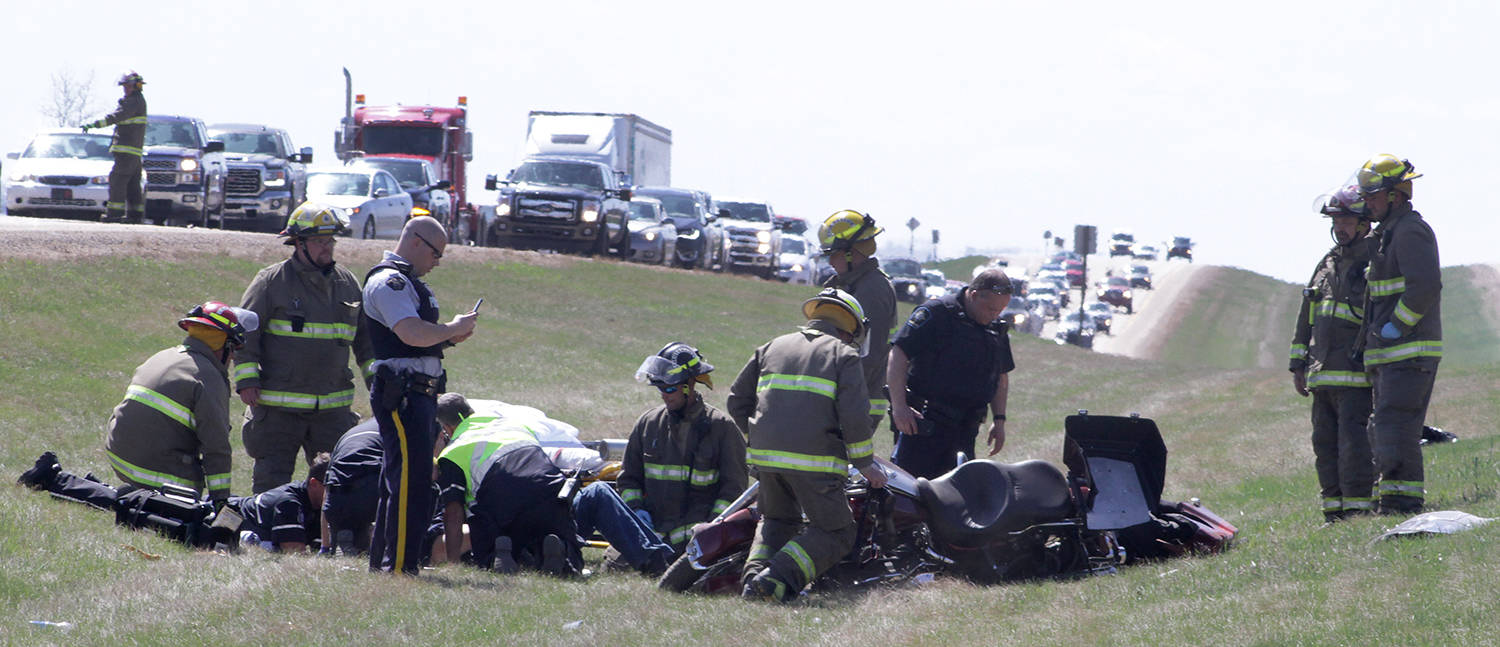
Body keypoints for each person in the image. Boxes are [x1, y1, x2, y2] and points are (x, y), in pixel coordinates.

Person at [727, 287, 887, 603]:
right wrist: (866, 463)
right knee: (836, 530)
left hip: (766, 459)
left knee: (777, 521)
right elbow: (855, 416)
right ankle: (774, 581)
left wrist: (759, 438)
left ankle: (753, 579)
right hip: (815, 464)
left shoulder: (773, 346)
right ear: (848, 328)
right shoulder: (844, 355)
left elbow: (736, 401)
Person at [433, 394, 674, 575]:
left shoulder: (452, 453)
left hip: (506, 523)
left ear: (447, 428)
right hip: (553, 502)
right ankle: (658, 561)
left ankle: (509, 555)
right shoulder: (516, 426)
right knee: (597, 492)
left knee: (481, 512)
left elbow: (453, 514)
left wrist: (454, 565)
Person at [363, 215, 477, 574]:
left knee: (402, 481)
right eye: (436, 253)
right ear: (415, 242)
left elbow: (420, 337)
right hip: (403, 395)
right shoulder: (389, 282)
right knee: (409, 485)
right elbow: (410, 332)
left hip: (418, 394)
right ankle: (399, 567)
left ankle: (389, 562)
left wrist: (448, 336)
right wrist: (451, 328)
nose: (437, 262)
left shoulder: (408, 282)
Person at [233, 203, 374, 493]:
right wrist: (247, 380)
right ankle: (265, 534)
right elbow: (244, 332)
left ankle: (331, 536)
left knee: (339, 482)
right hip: (278, 410)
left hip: (332, 411)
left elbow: (366, 343)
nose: (327, 248)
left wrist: (377, 383)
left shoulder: (348, 285)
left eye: (330, 241)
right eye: (319, 242)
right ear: (298, 243)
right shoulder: (271, 282)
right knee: (271, 481)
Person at [1355, 154, 1441, 515]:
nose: (1367, 203)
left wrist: (1397, 327)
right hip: (1391, 354)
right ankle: (1390, 500)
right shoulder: (1385, 235)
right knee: (1384, 426)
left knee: (1396, 426)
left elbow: (1423, 287)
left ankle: (1404, 503)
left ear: (1396, 194)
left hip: (1409, 351)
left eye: (1373, 196)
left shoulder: (1409, 231)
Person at [105, 301, 258, 503]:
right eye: (233, 351)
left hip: (119, 456)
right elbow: (216, 447)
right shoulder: (208, 378)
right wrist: (220, 501)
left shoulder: (162, 356)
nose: (232, 358)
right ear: (224, 346)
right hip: (148, 470)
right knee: (193, 494)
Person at [1288, 186, 1376, 522]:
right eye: (1336, 219)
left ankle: (1356, 511)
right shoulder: (1326, 262)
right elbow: (1306, 315)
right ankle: (1333, 513)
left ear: (1365, 222)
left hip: (1355, 375)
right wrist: (1298, 364)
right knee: (1324, 446)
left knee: (1354, 446)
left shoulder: (1375, 260)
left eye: (1347, 219)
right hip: (1321, 375)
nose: (1340, 226)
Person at [887, 268, 1015, 480]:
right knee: (911, 494)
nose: (995, 315)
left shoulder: (996, 330)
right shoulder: (938, 313)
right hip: (924, 427)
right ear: (974, 295)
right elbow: (899, 354)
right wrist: (899, 407)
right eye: (991, 308)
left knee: (959, 499)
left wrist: (999, 420)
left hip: (966, 430)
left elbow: (1000, 376)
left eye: (1001, 310)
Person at [619, 342, 748, 551]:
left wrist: (712, 528)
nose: (664, 395)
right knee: (615, 564)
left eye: (670, 388)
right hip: (651, 536)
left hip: (699, 541)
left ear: (690, 384)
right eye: (660, 388)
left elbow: (734, 490)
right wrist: (636, 509)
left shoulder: (722, 428)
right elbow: (628, 479)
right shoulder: (648, 424)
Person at [818, 210, 897, 427]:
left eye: (832, 253)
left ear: (850, 253)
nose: (830, 261)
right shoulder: (847, 284)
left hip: (855, 402)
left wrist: (840, 395)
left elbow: (867, 355)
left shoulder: (872, 290)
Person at [227, 452, 329, 553]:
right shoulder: (289, 503)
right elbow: (294, 551)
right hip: (225, 514)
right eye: (333, 488)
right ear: (314, 484)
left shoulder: (317, 504)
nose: (339, 495)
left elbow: (320, 548)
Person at [83, 71, 148, 223]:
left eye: (127, 86)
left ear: (135, 86)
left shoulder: (132, 102)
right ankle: (135, 215)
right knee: (133, 184)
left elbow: (117, 116)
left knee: (117, 180)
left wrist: (95, 124)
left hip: (126, 150)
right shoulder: (139, 101)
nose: (124, 89)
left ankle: (114, 214)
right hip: (133, 152)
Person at [321, 421, 384, 555]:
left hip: (337, 496)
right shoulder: (402, 427)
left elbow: (327, 488)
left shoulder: (349, 434)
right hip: (373, 488)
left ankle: (342, 538)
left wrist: (325, 547)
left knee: (354, 543)